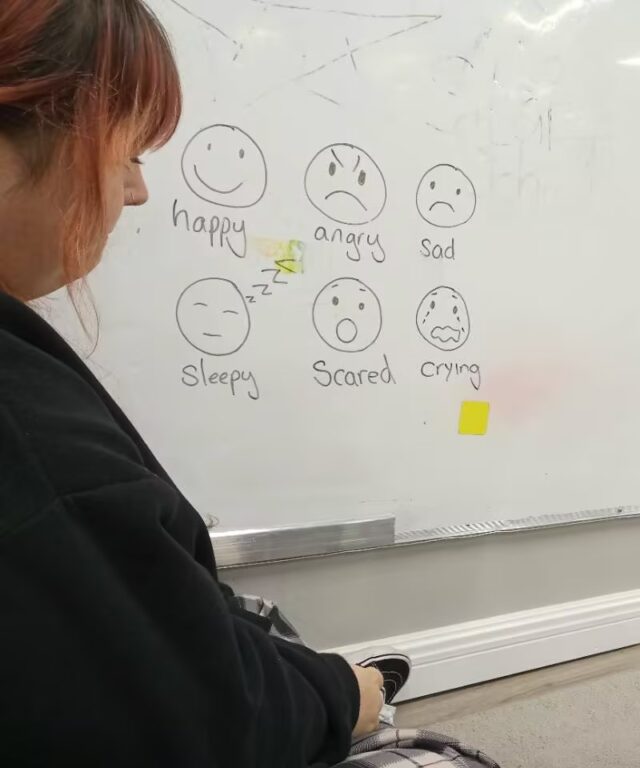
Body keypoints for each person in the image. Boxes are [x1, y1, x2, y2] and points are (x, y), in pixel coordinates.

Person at [0, 2, 387, 765]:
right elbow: (210, 721)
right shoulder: (33, 443)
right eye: (130, 153)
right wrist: (345, 693)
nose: (136, 191)